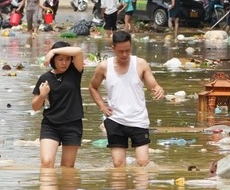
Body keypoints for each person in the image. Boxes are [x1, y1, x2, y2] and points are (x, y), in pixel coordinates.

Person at [87, 30, 165, 168]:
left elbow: (153, 85)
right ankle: (120, 189)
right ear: (113, 48)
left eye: (127, 51)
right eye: (120, 51)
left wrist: (159, 89)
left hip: (138, 120)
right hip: (115, 119)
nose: (124, 54)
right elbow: (93, 87)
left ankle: (140, 189)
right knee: (118, 164)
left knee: (142, 163)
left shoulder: (141, 64)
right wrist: (102, 106)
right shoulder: (104, 67)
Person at [31, 41, 86, 168]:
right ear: (53, 61)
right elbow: (35, 106)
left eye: (67, 59)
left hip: (72, 124)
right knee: (46, 162)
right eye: (60, 59)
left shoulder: (75, 72)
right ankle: (47, 187)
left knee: (67, 167)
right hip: (51, 125)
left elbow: (78, 50)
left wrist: (53, 51)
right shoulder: (45, 78)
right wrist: (42, 95)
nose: (64, 63)